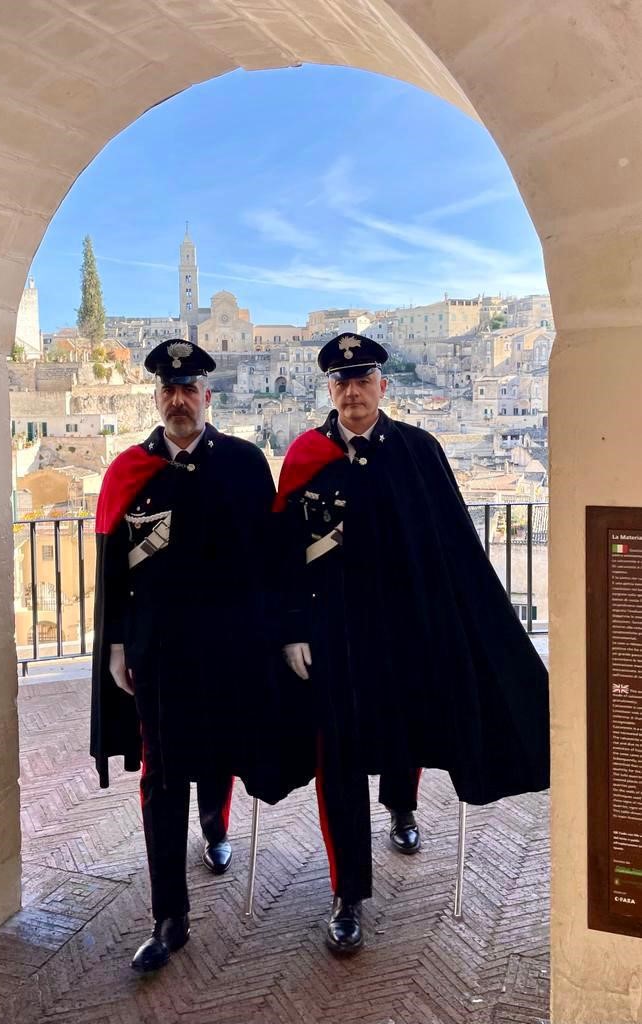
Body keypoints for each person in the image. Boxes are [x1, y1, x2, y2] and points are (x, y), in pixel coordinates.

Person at [274, 333, 549, 955]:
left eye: (362, 379)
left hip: (407, 631)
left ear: (383, 386)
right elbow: (283, 556)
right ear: (329, 390)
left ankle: (401, 808)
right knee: (338, 758)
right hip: (333, 637)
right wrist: (291, 629)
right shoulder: (305, 458)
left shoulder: (420, 451)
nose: (352, 390)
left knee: (407, 731)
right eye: (341, 381)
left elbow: (454, 545)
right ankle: (348, 893)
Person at [90, 339, 282, 974]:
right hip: (160, 652)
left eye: (189, 388)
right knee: (162, 773)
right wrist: (116, 642)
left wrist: (279, 634)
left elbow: (270, 558)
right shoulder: (128, 472)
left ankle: (218, 828)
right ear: (156, 398)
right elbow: (114, 569)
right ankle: (168, 916)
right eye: (168, 390)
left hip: (231, 649)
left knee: (222, 748)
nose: (179, 400)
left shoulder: (247, 464)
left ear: (208, 396)